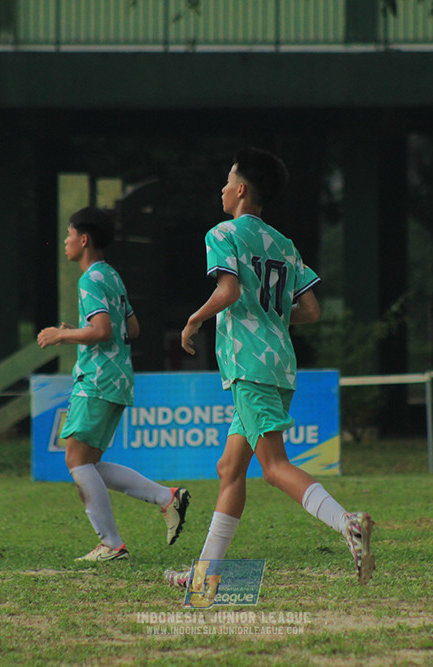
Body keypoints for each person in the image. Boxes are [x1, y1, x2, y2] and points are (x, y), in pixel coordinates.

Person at [164, 148, 375, 589]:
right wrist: (271, 317)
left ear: (241, 189)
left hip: (249, 365)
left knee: (275, 467)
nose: (222, 189)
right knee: (230, 469)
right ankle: (205, 574)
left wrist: (195, 318)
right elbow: (311, 310)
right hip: (280, 363)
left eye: (227, 181)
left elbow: (228, 290)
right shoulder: (284, 244)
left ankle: (347, 522)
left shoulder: (222, 233)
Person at [38, 206, 190, 562]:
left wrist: (62, 335)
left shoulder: (89, 279)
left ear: (84, 239)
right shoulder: (111, 275)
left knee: (76, 461)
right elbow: (131, 329)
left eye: (69, 234)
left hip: (97, 379)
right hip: (118, 378)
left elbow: (102, 330)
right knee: (88, 462)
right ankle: (166, 498)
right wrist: (81, 331)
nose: (65, 241)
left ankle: (111, 544)